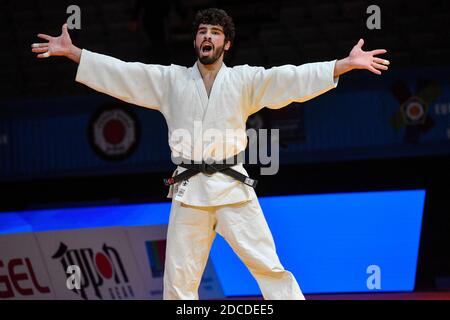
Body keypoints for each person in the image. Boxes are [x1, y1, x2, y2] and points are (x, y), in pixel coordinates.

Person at [31, 8, 389, 300]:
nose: (207, 36)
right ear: (196, 40)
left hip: (234, 190)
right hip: (189, 194)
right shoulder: (171, 81)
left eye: (215, 32)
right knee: (177, 285)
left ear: (226, 43)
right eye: (202, 31)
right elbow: (125, 74)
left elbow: (289, 79)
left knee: (270, 268)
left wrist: (341, 64)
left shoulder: (244, 81)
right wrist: (75, 53)